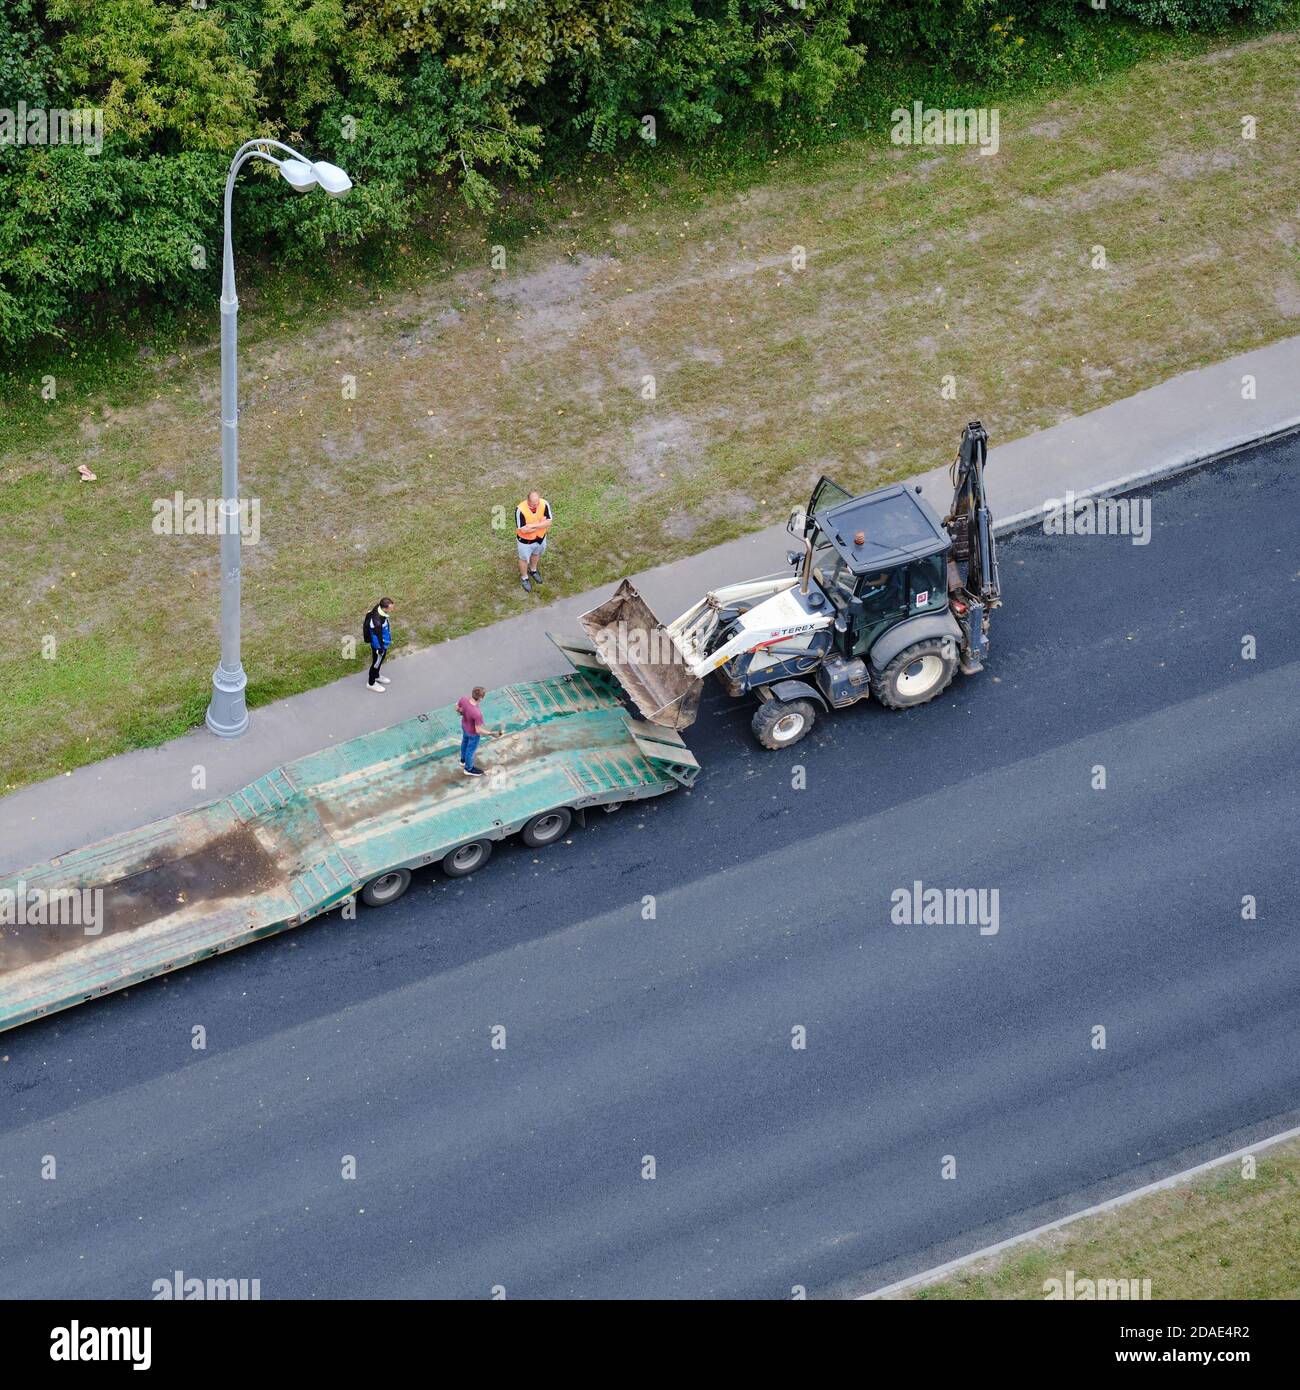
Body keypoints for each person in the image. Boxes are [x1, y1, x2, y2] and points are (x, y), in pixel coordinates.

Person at [456, 686, 501, 777]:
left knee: (464, 742)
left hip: (464, 726)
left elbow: (457, 708)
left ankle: (463, 760)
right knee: (470, 751)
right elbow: (478, 729)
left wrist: (462, 712)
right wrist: (491, 733)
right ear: (481, 698)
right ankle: (468, 769)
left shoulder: (464, 699)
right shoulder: (477, 713)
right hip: (473, 734)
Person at [515, 490, 553, 593]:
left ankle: (533, 570)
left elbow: (549, 522)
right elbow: (523, 529)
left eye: (537, 503)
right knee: (523, 559)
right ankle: (524, 577)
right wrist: (541, 524)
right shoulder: (520, 509)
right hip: (525, 542)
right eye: (533, 504)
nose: (536, 506)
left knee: (536, 554)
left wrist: (533, 525)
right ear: (528, 501)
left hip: (540, 538)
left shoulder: (544, 504)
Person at [363, 597, 394, 692]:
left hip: (382, 644)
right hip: (379, 646)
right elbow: (377, 637)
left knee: (379, 662)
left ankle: (376, 676)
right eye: (391, 607)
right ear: (385, 608)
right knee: (376, 664)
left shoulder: (379, 608)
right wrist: (380, 648)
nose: (393, 609)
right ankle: (371, 683)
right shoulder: (377, 622)